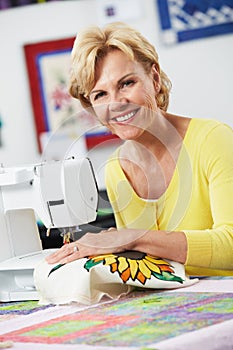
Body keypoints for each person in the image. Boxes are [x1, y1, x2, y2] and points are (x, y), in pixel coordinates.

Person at [46, 22, 233, 276]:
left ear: (154, 79)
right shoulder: (116, 170)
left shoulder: (214, 139)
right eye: (100, 95)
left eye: (126, 83)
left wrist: (132, 237)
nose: (116, 104)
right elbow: (144, 267)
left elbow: (230, 245)